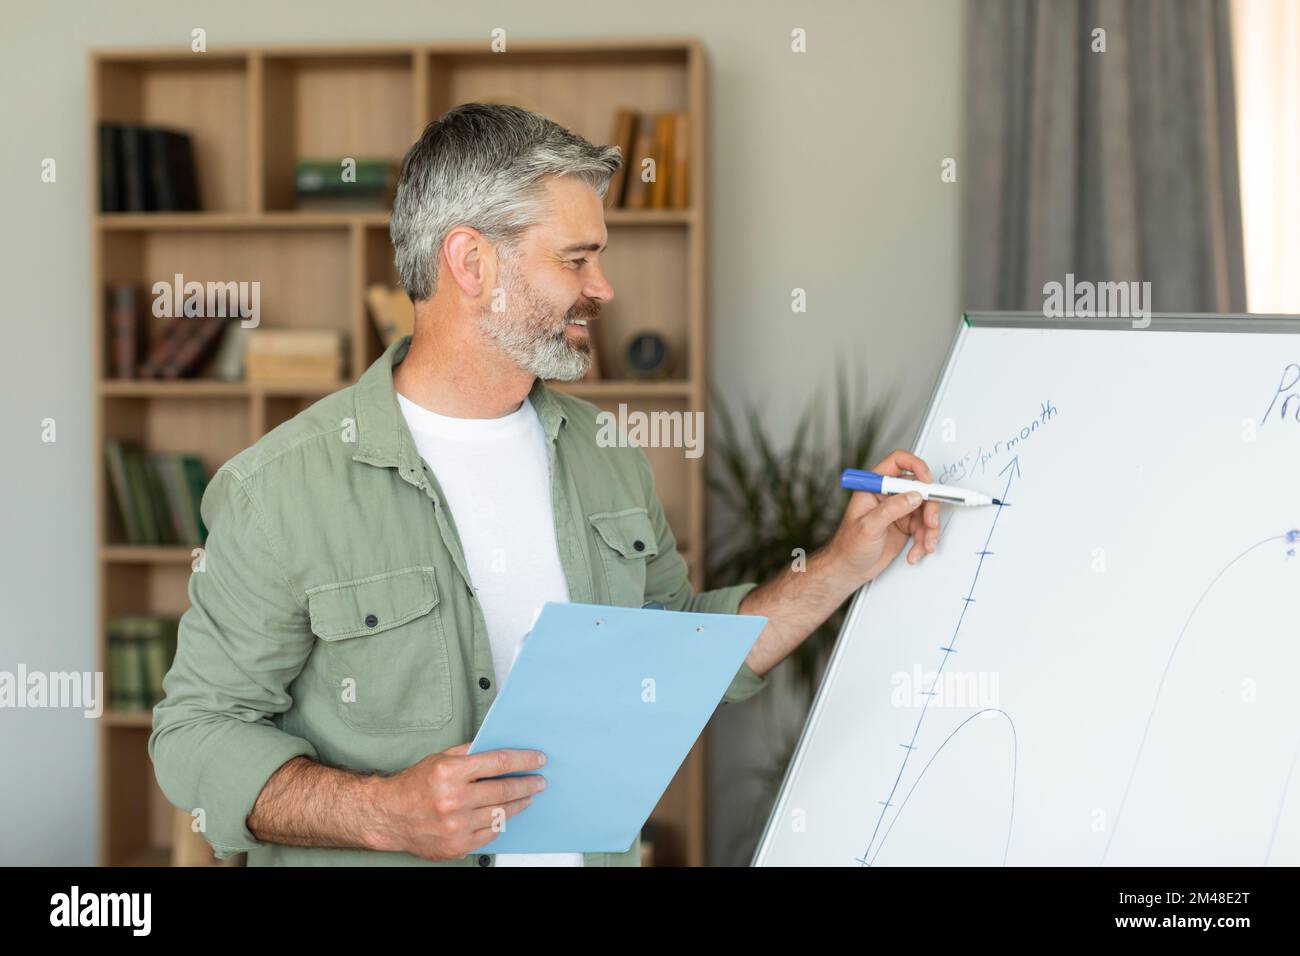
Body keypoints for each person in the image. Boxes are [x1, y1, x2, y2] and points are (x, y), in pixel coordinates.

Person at [149, 103, 941, 867]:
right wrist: (387, 814)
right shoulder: (278, 489)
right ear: (471, 262)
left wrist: (845, 559)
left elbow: (682, 650)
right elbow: (196, 733)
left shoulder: (608, 453)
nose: (602, 288)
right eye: (576, 258)